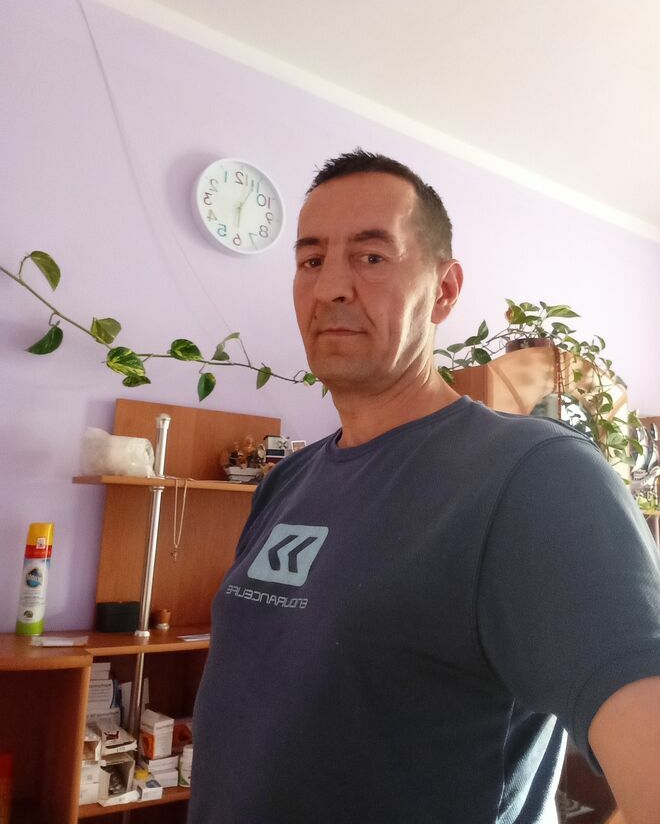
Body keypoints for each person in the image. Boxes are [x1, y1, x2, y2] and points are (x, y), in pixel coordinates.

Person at [189, 150, 660, 823]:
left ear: (444, 289)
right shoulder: (288, 480)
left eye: (371, 256)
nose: (330, 287)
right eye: (311, 260)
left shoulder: (535, 477)